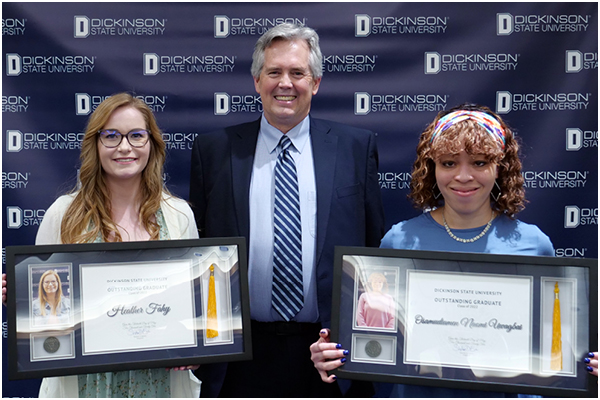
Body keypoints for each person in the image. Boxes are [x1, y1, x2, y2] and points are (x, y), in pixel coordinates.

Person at [310, 103, 599, 395]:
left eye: (479, 163)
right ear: (431, 167)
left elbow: (560, 347)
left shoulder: (534, 244)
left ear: (500, 168)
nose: (463, 176)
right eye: (449, 163)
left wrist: (587, 363)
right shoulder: (400, 240)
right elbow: (373, 337)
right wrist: (336, 352)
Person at [189, 23, 385, 397]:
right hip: (239, 355)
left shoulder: (355, 147)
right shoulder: (215, 150)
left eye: (297, 73)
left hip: (329, 355)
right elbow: (198, 250)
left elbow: (371, 248)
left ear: (315, 82)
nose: (285, 83)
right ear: (256, 80)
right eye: (274, 72)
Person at [3, 93, 200, 398]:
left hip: (159, 383)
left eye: (136, 135)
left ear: (152, 144)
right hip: (83, 385)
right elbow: (41, 306)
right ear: (96, 144)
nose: (124, 147)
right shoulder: (63, 215)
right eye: (111, 136)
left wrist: (195, 346)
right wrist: (20, 300)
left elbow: (194, 308)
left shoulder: (178, 215)